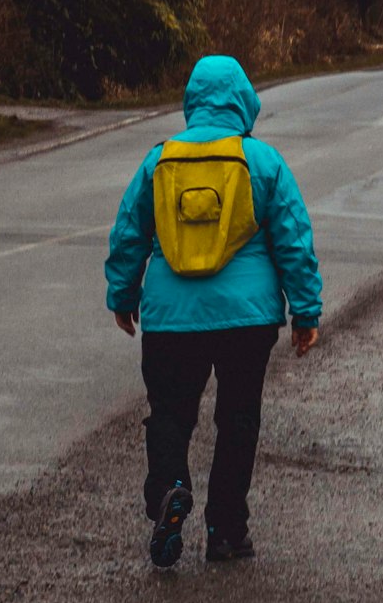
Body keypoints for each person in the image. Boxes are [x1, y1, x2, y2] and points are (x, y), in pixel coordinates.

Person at [105, 54, 322, 569]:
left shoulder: (159, 160)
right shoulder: (262, 161)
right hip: (247, 318)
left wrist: (122, 295)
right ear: (244, 99)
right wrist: (306, 311)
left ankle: (170, 493)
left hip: (172, 317)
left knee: (171, 416)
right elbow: (294, 240)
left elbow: (130, 232)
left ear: (191, 100)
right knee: (238, 419)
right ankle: (227, 531)